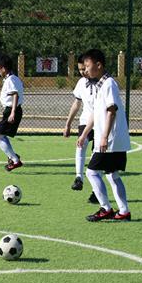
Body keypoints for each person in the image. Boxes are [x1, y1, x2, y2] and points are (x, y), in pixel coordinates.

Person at [77, 48, 132, 222]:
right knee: (112, 174)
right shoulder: (100, 85)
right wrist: (85, 133)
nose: (85, 70)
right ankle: (123, 211)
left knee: (91, 173)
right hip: (112, 140)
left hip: (110, 140)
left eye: (87, 65)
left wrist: (104, 137)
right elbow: (95, 113)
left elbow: (111, 111)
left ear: (98, 65)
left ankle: (105, 208)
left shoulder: (108, 84)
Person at [63, 55, 98, 203]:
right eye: (80, 69)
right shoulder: (81, 83)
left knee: (97, 156)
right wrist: (68, 123)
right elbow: (77, 104)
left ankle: (96, 191)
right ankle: (79, 177)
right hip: (85, 121)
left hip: (100, 122)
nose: (83, 72)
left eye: (85, 68)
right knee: (80, 145)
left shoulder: (103, 83)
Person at [0, 54, 24, 171]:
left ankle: (15, 160)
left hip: (11, 110)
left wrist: (12, 112)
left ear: (4, 68)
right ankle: (13, 156)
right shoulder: (11, 78)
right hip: (10, 110)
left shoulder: (11, 79)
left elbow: (15, 94)